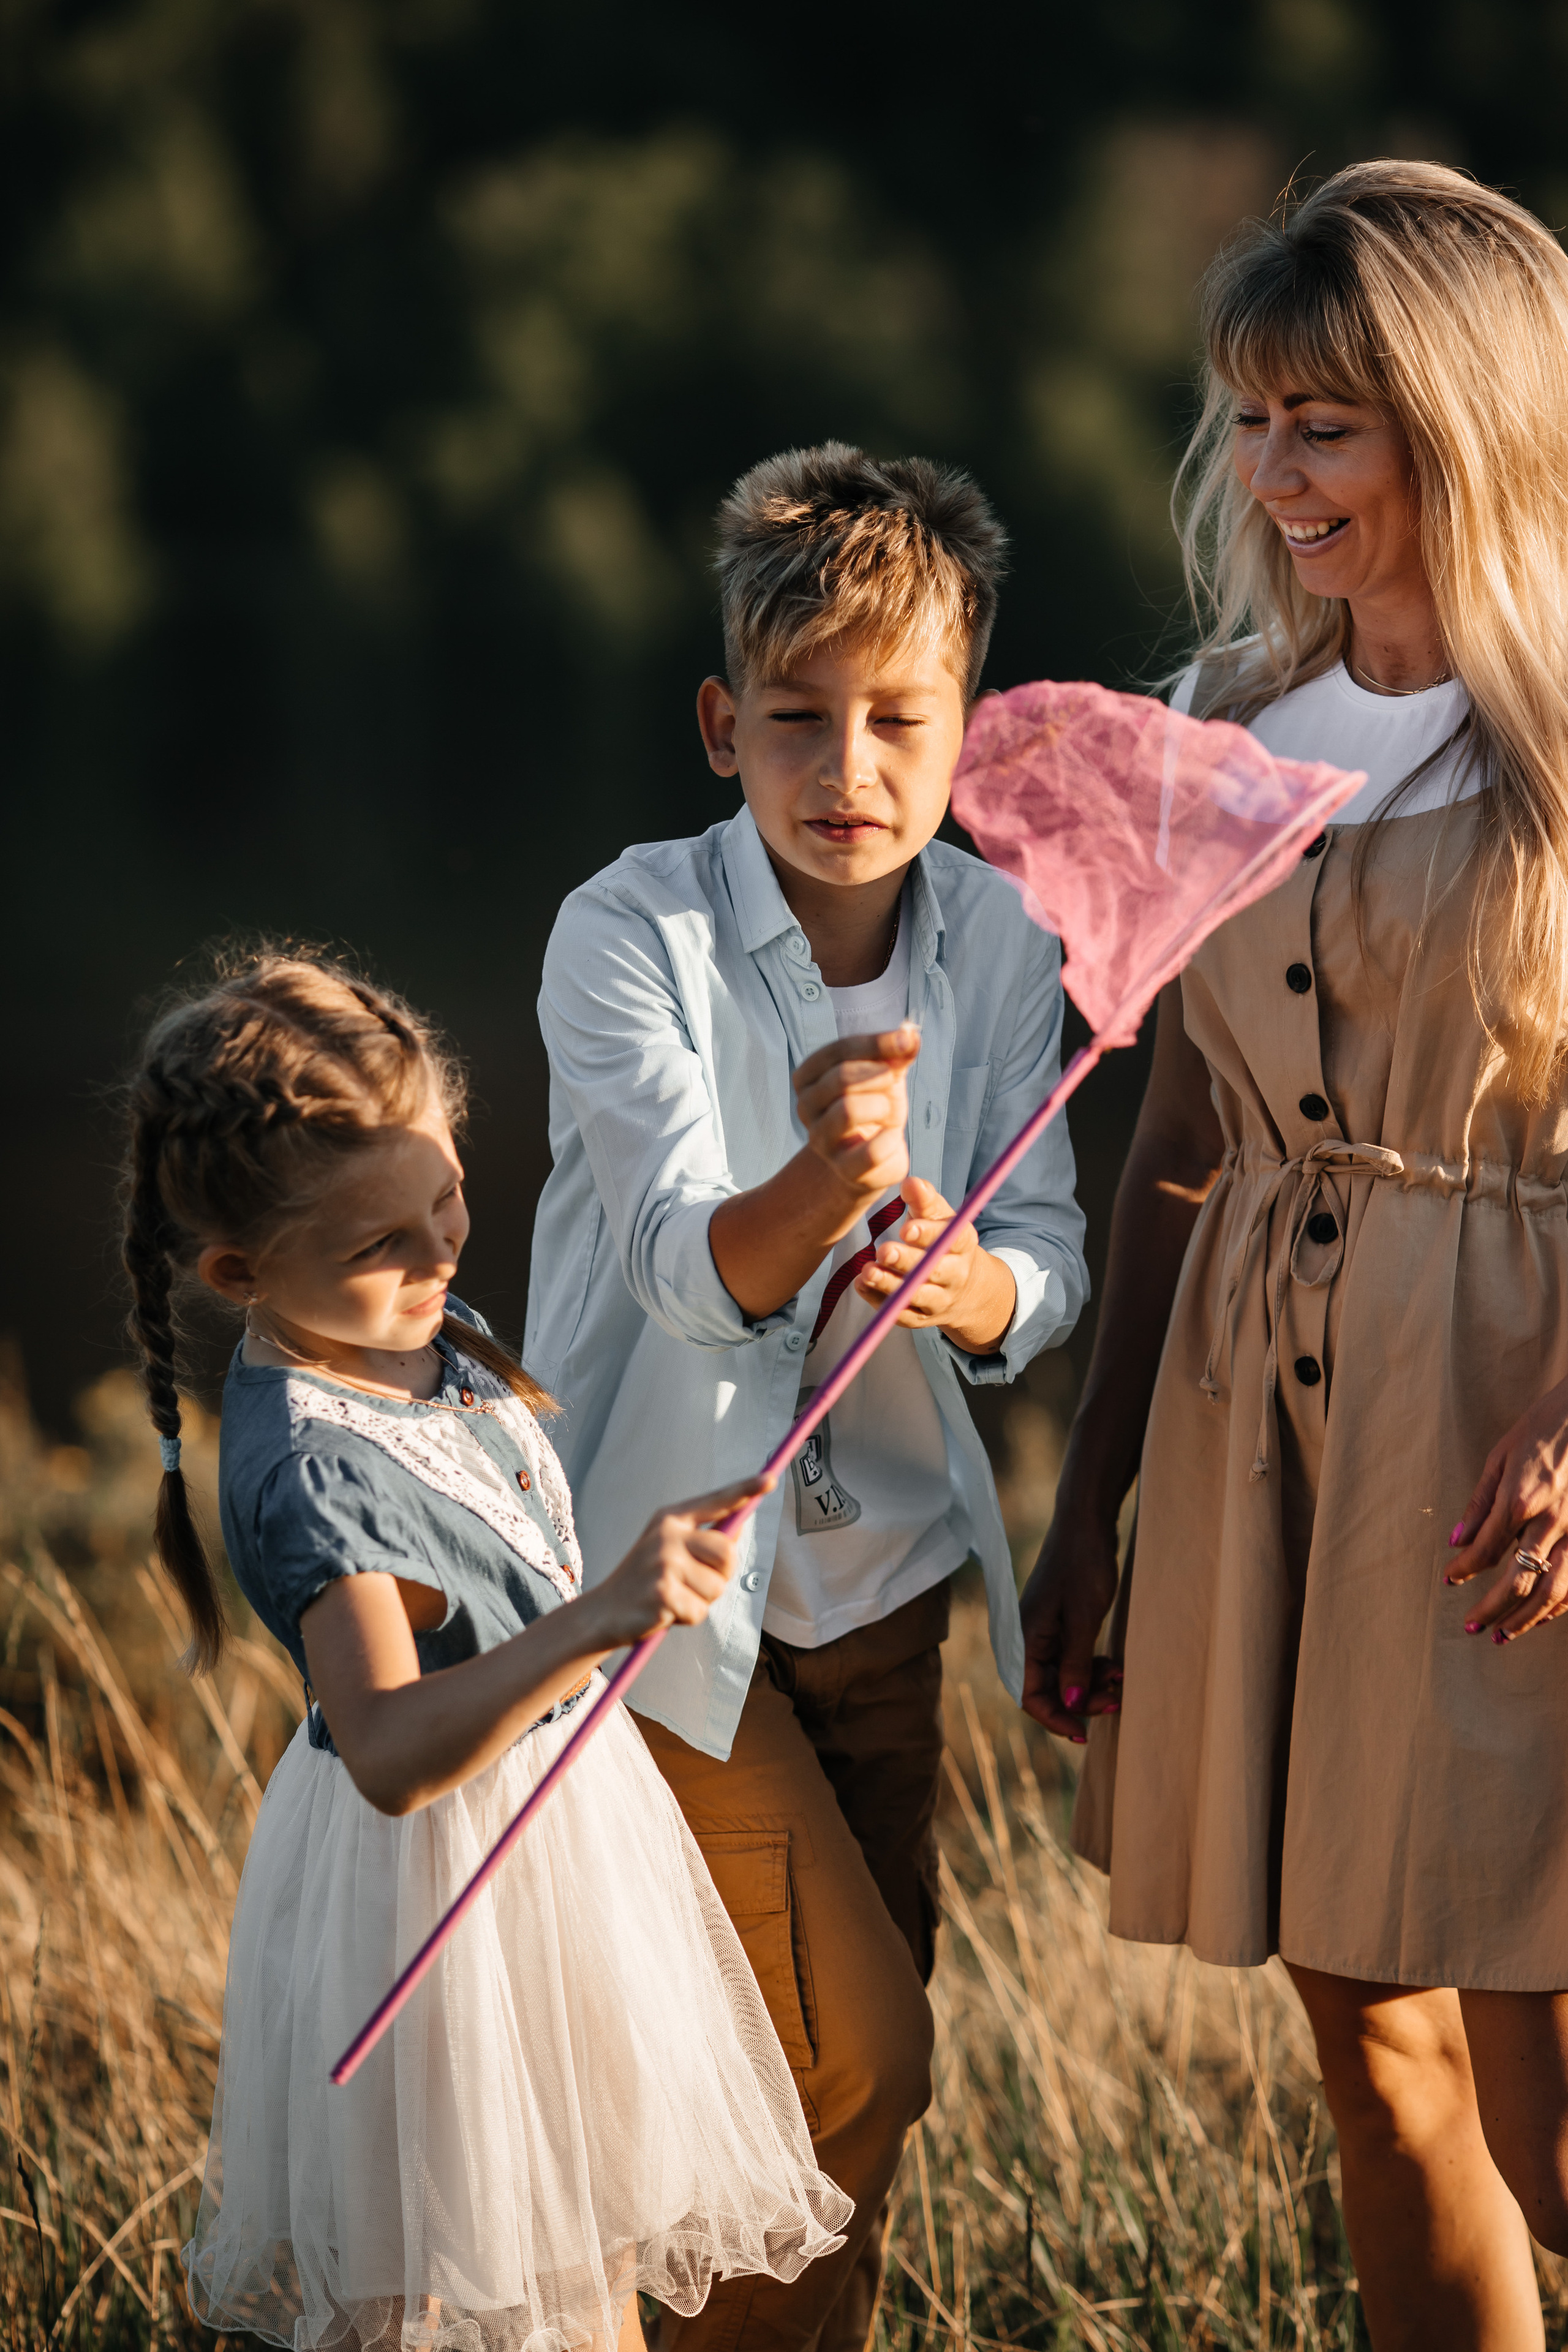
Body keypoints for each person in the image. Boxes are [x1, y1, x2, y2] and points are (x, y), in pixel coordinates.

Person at [1021, 160, 1568, 2350]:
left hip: (1510, 1434)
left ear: (1465, 424)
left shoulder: (1564, 745)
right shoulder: (1228, 734)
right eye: (1250, 420)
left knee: (1551, 2106)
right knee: (1379, 2058)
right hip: (1268, 1433)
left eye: (1323, 425)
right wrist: (1093, 1502)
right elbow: (1178, 1134)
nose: (1272, 474)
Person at [526, 442, 1088, 2350]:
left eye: (898, 720)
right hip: (666, 1593)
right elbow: (687, 1270)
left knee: (829, 2122)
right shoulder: (628, 935)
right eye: (797, 718)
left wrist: (968, 1272)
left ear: (966, 732)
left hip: (886, 1594)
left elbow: (1046, 1271)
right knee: (860, 2059)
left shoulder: (1003, 940)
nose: (848, 767)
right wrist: (831, 1178)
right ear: (721, 726)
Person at [121, 949, 851, 2352]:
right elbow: (392, 1752)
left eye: (447, 1195)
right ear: (238, 1271)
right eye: (382, 1243)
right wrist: (596, 1619)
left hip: (560, 1832)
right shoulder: (316, 1471)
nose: (440, 1253)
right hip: (434, 1880)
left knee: (588, 2244)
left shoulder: (404, 1322)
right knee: (444, 2286)